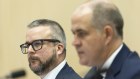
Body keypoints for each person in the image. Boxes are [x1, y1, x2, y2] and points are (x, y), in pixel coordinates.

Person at [71, 0, 140, 79]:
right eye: (74, 34)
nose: (75, 42)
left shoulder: (136, 73)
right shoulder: (91, 75)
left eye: (81, 33)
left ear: (107, 34)